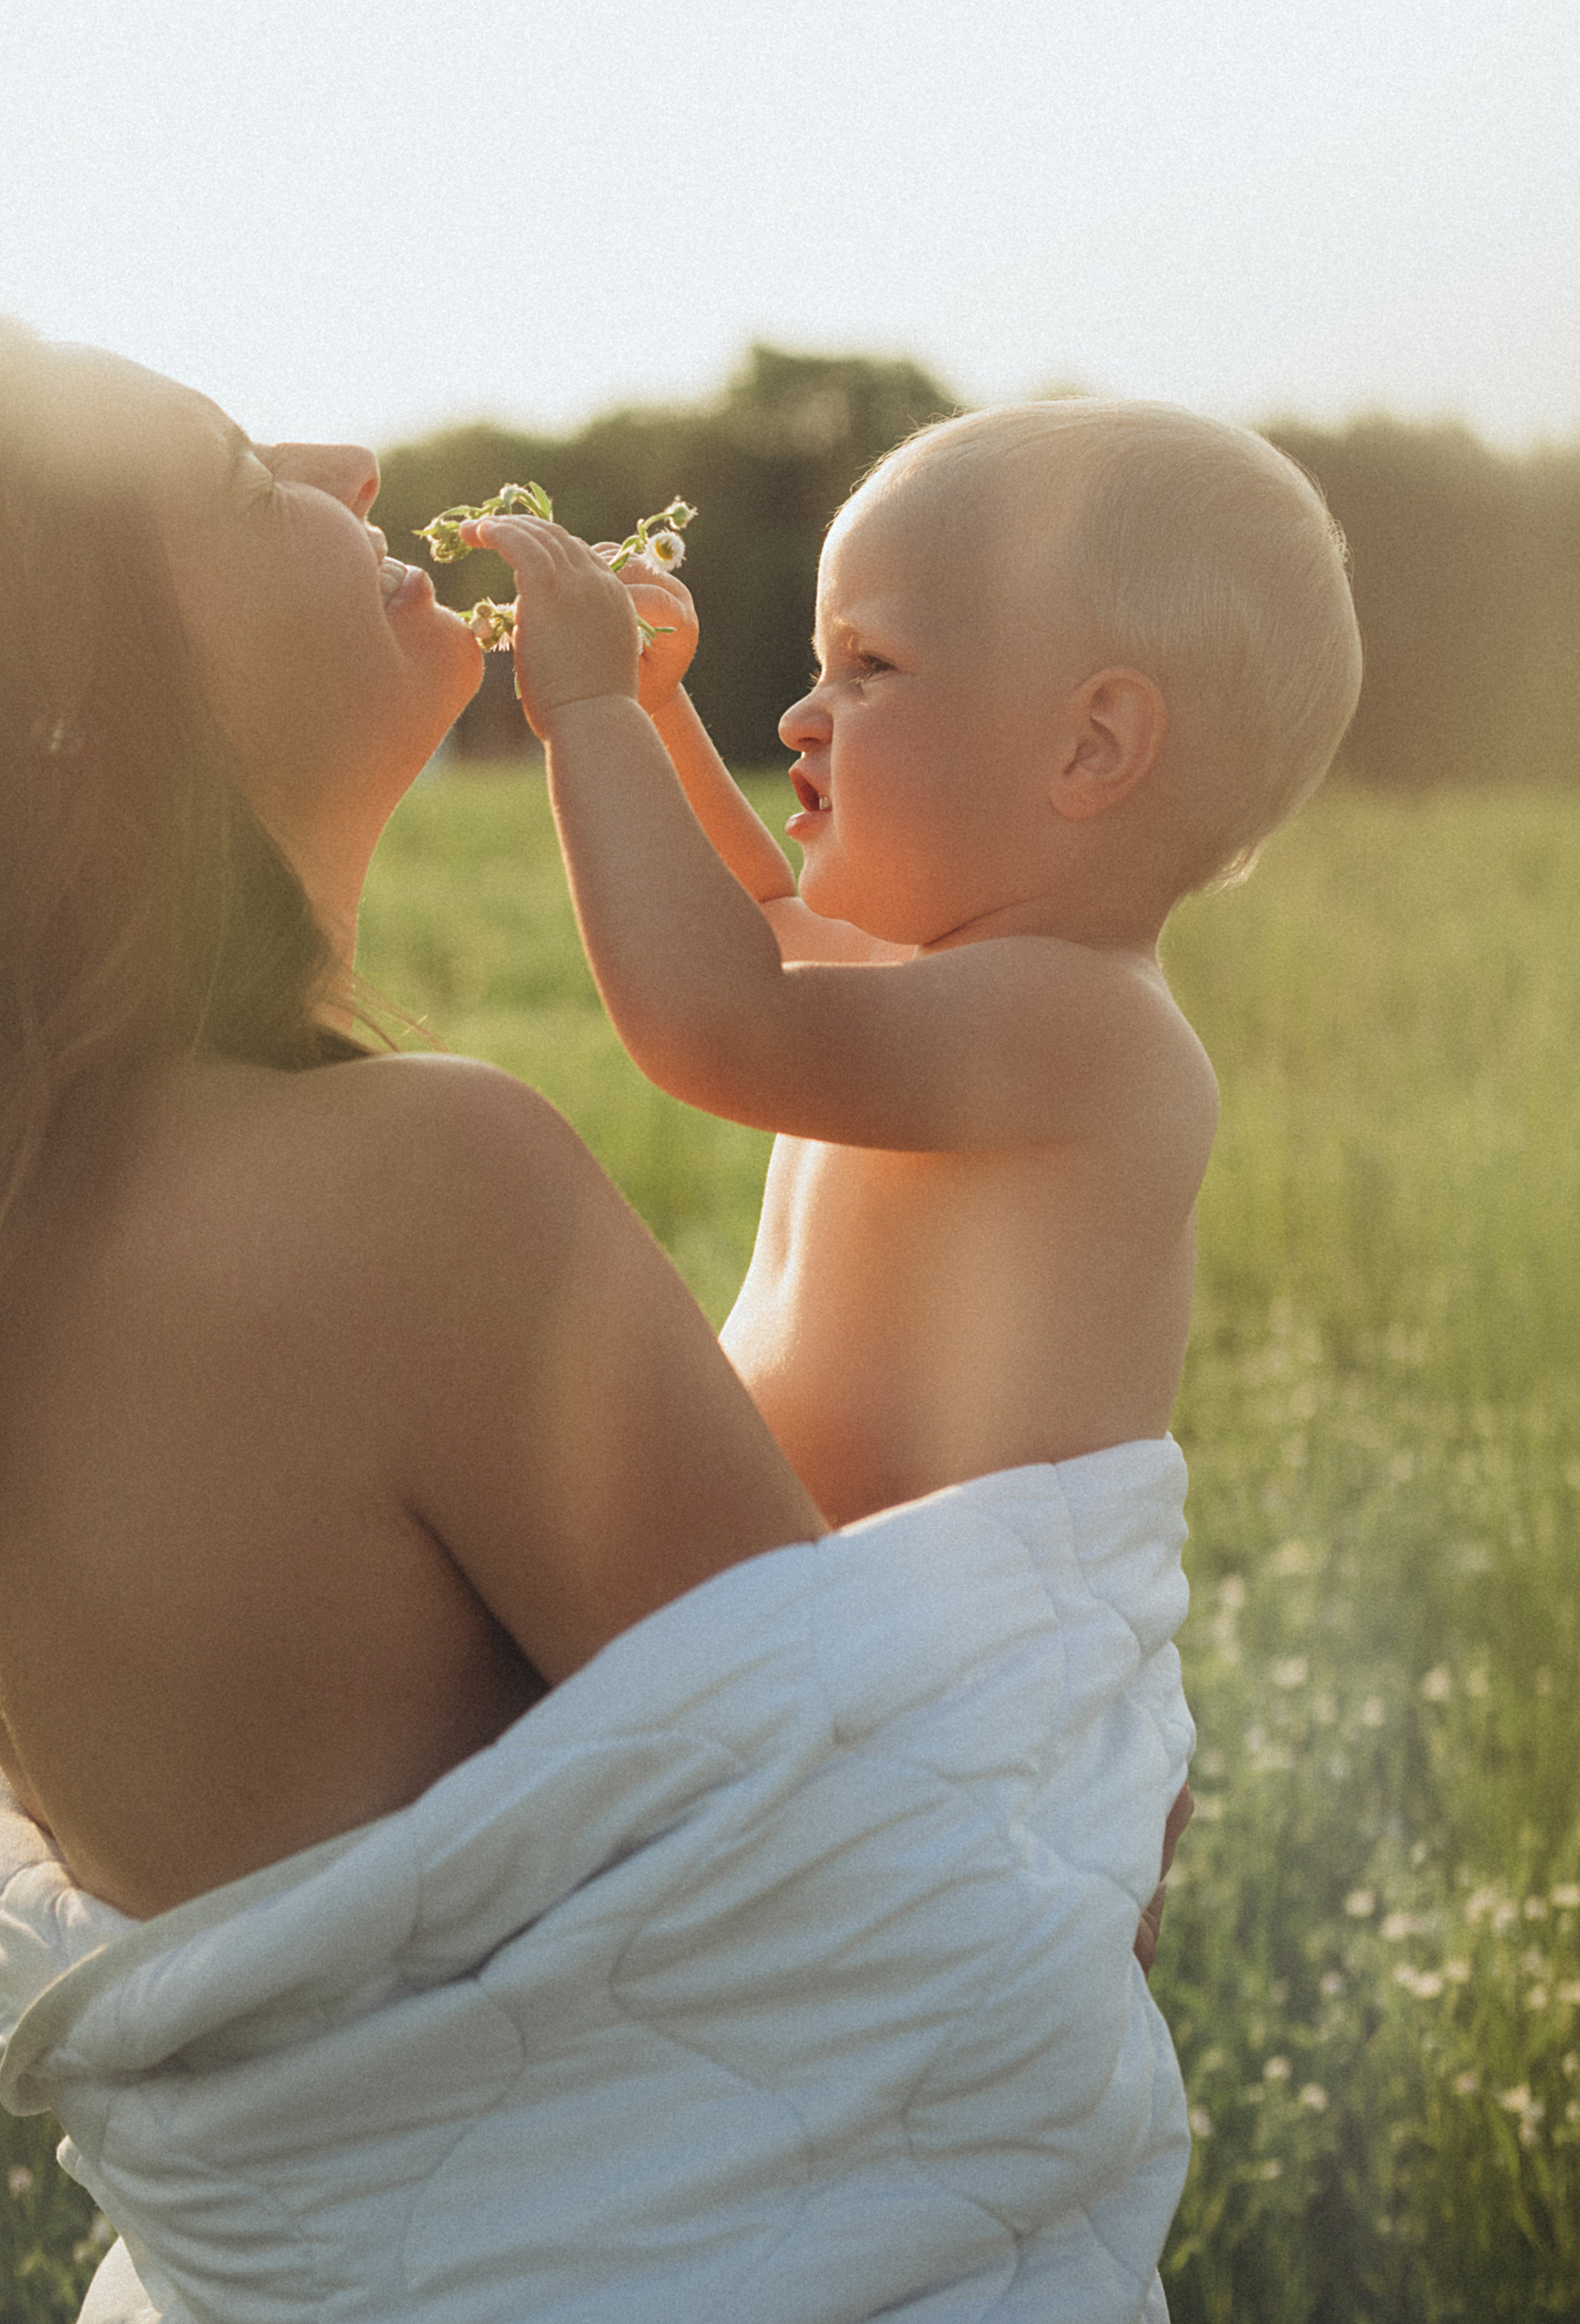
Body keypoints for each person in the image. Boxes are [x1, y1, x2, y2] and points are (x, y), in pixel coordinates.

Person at [0, 331, 1204, 2323]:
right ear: (69, 704)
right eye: (230, 474)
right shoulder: (415, 1190)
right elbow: (908, 1898)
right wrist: (1079, 1792)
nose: (347, 460)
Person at [470, 397, 1362, 1528]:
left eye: (870, 665)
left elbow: (721, 1020)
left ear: (1092, 746)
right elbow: (756, 919)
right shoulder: (937, 970)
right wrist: (653, 709)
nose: (802, 718)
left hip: (968, 1629)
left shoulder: (1088, 1023)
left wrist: (590, 708)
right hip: (852, 1595)